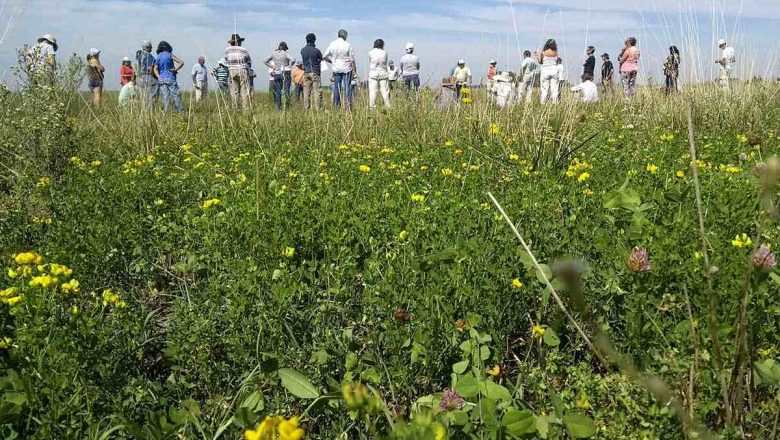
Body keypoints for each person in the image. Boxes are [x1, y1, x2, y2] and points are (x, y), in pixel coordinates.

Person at [323, 29, 355, 109]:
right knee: (347, 86)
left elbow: (324, 56)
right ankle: (348, 105)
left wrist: (331, 62)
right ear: (345, 36)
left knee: (337, 87)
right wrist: (354, 69)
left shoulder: (332, 44)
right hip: (347, 68)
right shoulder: (347, 44)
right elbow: (352, 59)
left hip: (336, 68)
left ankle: (336, 105)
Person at [153, 41, 184, 112]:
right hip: (170, 77)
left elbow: (155, 69)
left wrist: (158, 76)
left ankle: (167, 111)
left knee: (165, 96)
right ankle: (181, 111)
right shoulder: (170, 55)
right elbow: (181, 62)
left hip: (161, 79)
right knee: (176, 95)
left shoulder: (159, 56)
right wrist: (176, 69)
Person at [225, 33, 252, 110]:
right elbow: (249, 61)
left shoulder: (227, 50)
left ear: (231, 43)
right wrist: (247, 68)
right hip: (242, 70)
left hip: (232, 71)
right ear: (239, 42)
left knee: (234, 91)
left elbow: (226, 60)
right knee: (244, 91)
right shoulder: (243, 50)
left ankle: (235, 109)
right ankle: (245, 109)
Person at [265, 41, 296, 110]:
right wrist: (289, 65)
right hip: (285, 72)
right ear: (284, 48)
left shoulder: (273, 53)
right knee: (287, 90)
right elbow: (293, 59)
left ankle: (278, 106)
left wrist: (272, 67)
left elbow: (265, 61)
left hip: (277, 73)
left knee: (278, 91)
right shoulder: (285, 53)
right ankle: (287, 106)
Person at [300, 33, 323, 110]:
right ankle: (318, 109)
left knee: (306, 92)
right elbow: (321, 59)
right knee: (317, 92)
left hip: (306, 72)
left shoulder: (302, 50)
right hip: (315, 72)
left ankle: (307, 108)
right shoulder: (317, 51)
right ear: (314, 40)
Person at [368, 38, 391, 108]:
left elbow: (370, 61)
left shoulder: (370, 52)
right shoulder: (385, 53)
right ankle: (387, 106)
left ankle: (372, 107)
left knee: (373, 91)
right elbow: (386, 61)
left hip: (373, 73)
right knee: (385, 91)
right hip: (383, 72)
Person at [136, 40, 158, 106]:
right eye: (151, 47)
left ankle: (144, 110)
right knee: (151, 96)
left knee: (143, 97)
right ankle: (150, 111)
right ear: (148, 47)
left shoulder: (138, 55)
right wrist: (157, 77)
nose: (151, 49)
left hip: (139, 77)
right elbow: (150, 69)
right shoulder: (149, 56)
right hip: (148, 77)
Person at [538, 39, 559, 104]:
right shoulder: (556, 52)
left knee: (544, 89)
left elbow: (540, 62)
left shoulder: (543, 52)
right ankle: (555, 103)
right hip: (554, 70)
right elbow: (557, 61)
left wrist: (537, 56)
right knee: (554, 89)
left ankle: (543, 103)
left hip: (545, 71)